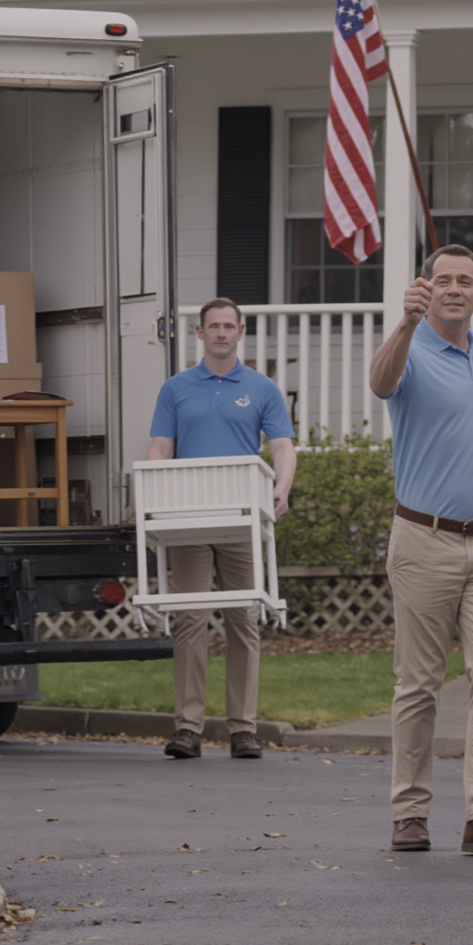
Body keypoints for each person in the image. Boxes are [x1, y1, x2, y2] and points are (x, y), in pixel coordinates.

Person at [368, 245, 473, 857]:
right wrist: (405, 323)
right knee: (419, 683)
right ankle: (409, 813)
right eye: (443, 281)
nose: (454, 289)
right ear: (426, 289)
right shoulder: (410, 349)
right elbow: (380, 383)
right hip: (424, 541)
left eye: (465, 281)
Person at [147, 297, 296, 760]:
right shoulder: (176, 388)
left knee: (243, 619)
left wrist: (283, 488)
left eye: (229, 326)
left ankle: (243, 729)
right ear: (200, 334)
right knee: (190, 622)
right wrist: (155, 497)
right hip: (188, 520)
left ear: (241, 331)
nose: (221, 334)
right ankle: (188, 728)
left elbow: (283, 448)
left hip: (241, 520)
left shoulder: (262, 387)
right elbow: (159, 448)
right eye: (213, 326)